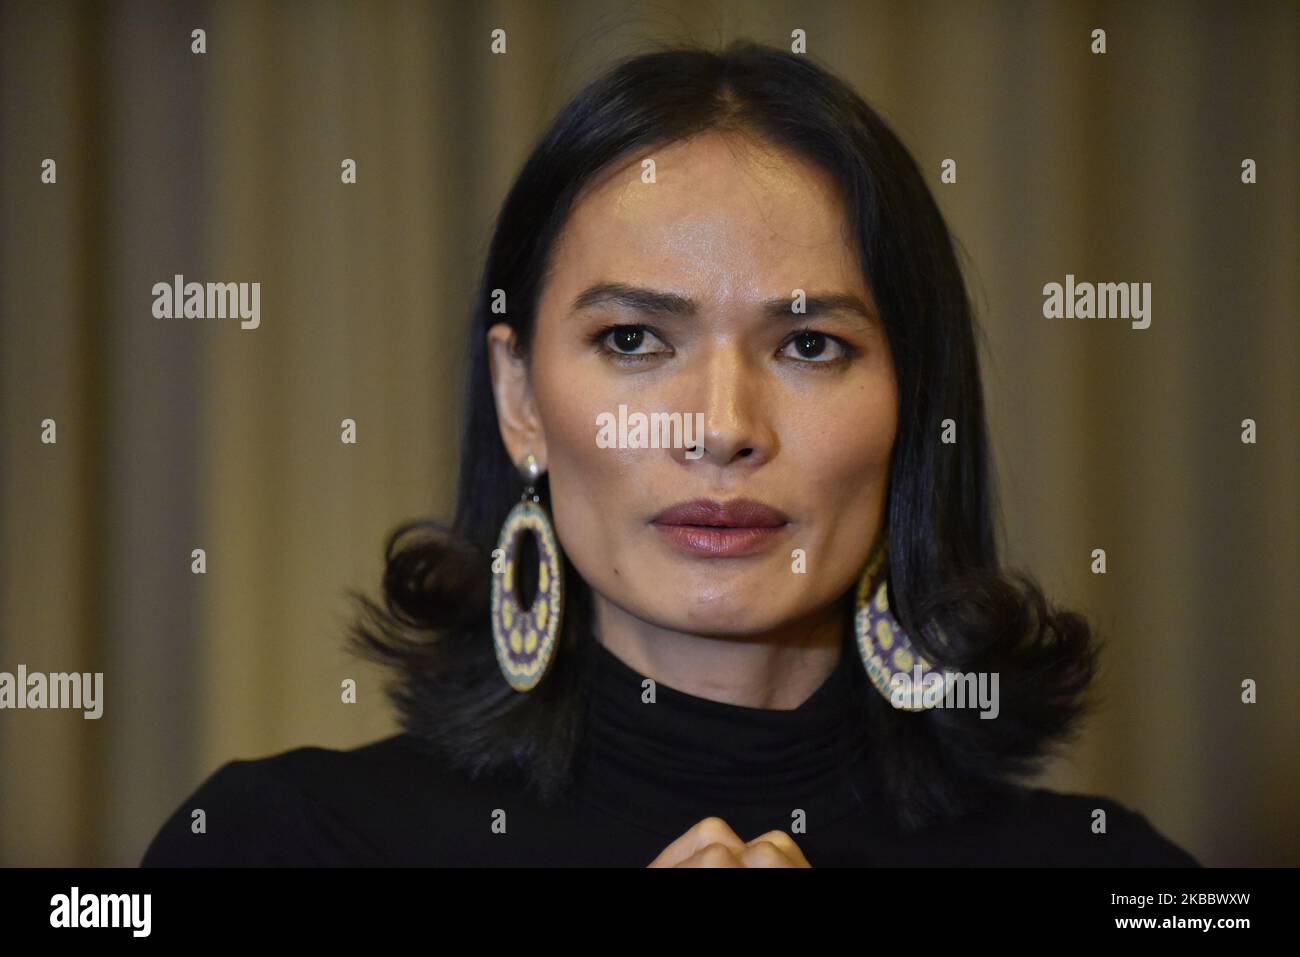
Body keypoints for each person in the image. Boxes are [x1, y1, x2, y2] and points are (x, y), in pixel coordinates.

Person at [142, 40, 1198, 868]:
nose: (719, 426)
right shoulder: (277, 844)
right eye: (634, 340)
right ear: (520, 398)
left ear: (914, 403)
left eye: (810, 344)